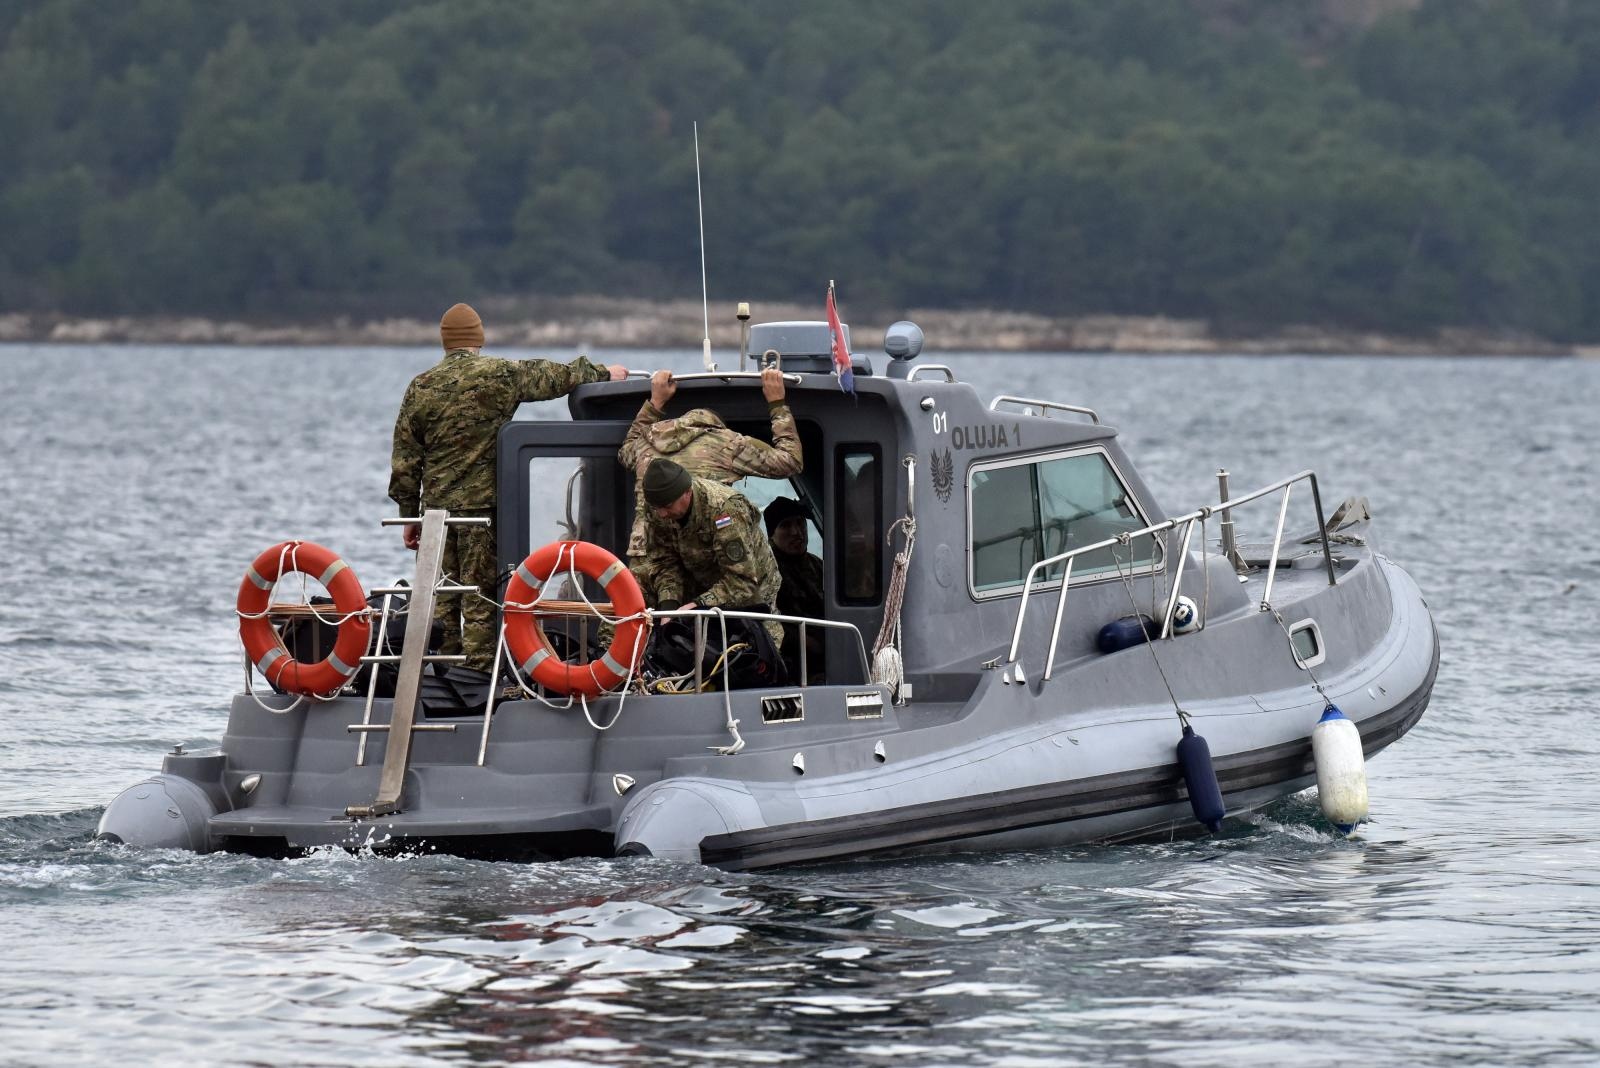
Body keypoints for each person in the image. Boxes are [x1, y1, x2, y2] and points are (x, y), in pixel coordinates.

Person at [388, 302, 627, 674]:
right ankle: (478, 679)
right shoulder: (501, 375)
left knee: (440, 601)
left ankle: (438, 675)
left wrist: (410, 517)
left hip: (436, 517)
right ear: (478, 339)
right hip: (482, 515)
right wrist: (603, 372)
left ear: (446, 342)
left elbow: (405, 461)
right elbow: (557, 376)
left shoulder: (420, 387)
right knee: (481, 601)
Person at [618, 367, 801, 606]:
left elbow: (624, 451)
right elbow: (790, 461)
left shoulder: (646, 441)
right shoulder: (727, 443)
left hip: (647, 560)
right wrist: (777, 403)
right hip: (704, 559)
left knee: (641, 628)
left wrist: (654, 404)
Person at [639, 458, 785, 658]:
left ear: (687, 492)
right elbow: (664, 562)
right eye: (657, 508)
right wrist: (669, 608)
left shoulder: (725, 510)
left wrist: (696, 605)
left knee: (759, 658)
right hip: (702, 579)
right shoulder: (657, 507)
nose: (662, 514)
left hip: (753, 589)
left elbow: (742, 583)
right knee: (638, 578)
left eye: (667, 506)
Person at [764, 496, 826, 683]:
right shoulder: (766, 569)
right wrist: (805, 641)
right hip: (788, 662)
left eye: (800, 523)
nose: (796, 532)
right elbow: (765, 621)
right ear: (771, 534)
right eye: (785, 526)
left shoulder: (818, 565)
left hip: (828, 655)